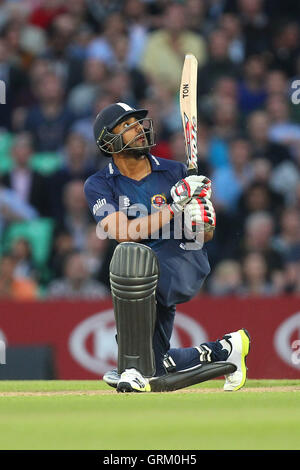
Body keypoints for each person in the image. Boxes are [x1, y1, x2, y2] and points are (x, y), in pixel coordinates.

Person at [84, 102, 251, 393]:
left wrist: (204, 217)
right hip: (143, 268)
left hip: (182, 257)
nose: (138, 128)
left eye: (138, 122)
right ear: (108, 141)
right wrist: (175, 206)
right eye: (128, 125)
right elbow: (121, 232)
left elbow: (204, 234)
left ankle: (130, 364)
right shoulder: (99, 184)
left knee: (133, 263)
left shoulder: (176, 172)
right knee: (156, 365)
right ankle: (226, 349)